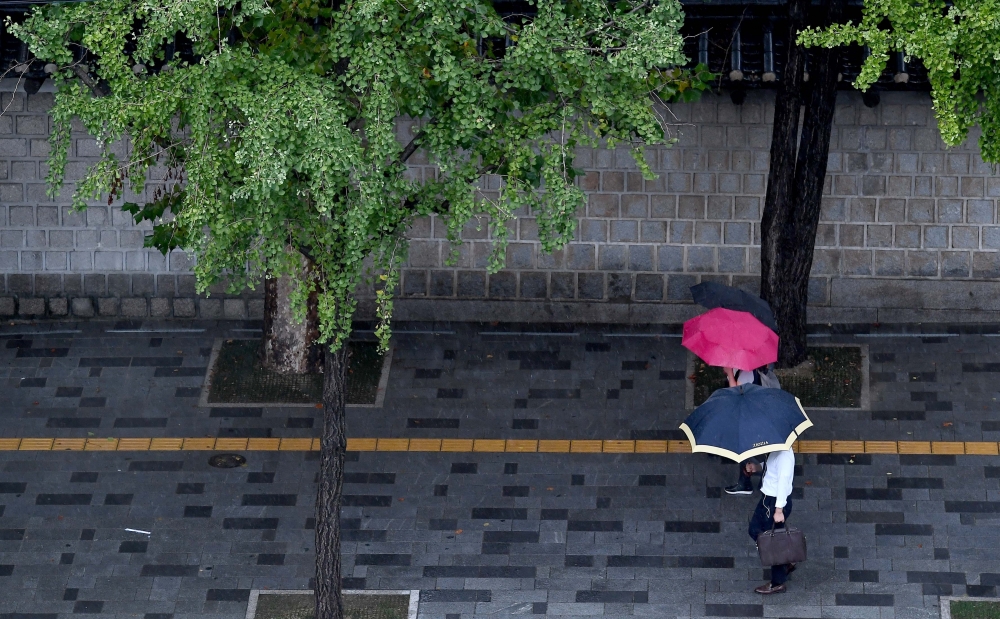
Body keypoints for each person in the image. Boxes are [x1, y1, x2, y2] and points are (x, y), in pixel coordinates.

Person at [745, 447, 796, 594]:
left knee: (774, 543)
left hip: (774, 502)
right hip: (768, 499)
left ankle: (777, 582)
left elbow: (783, 482)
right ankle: (785, 561)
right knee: (757, 531)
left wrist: (779, 510)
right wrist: (757, 467)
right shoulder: (776, 449)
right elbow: (771, 466)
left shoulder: (784, 456)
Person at [723, 366, 762, 495]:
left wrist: (729, 373)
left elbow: (737, 393)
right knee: (745, 445)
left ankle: (746, 481)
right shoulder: (744, 369)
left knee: (745, 445)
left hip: (747, 414)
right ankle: (745, 480)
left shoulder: (747, 372)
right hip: (748, 412)